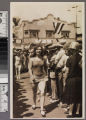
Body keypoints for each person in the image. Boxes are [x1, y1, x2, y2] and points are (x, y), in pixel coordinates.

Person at [28, 45, 48, 117]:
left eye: (40, 49)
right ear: (35, 51)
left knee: (42, 92)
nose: (39, 51)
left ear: (41, 51)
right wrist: (31, 76)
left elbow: (45, 68)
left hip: (42, 77)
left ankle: (42, 109)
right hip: (34, 77)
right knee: (34, 92)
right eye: (37, 50)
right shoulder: (32, 59)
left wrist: (46, 76)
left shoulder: (43, 59)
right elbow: (29, 68)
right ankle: (34, 103)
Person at [63, 42, 82, 117]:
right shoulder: (82, 57)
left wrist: (64, 81)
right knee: (79, 96)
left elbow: (67, 72)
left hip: (71, 79)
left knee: (71, 96)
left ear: (72, 50)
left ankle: (70, 113)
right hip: (80, 79)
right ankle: (77, 112)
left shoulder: (69, 59)